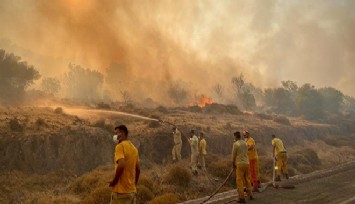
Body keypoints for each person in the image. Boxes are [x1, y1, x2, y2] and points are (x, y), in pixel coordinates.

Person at [109, 125, 140, 204]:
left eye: (116, 133)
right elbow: (138, 170)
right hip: (131, 192)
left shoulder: (120, 146)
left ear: (122, 133)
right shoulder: (134, 148)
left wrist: (114, 181)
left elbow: (121, 164)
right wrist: (134, 186)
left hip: (120, 193)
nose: (115, 136)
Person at [232, 131, 253, 203]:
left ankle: (241, 197)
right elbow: (246, 152)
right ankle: (250, 194)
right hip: (247, 163)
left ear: (235, 136)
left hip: (240, 164)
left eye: (234, 136)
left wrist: (233, 164)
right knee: (247, 179)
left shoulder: (235, 144)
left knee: (239, 180)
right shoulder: (245, 143)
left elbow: (233, 155)